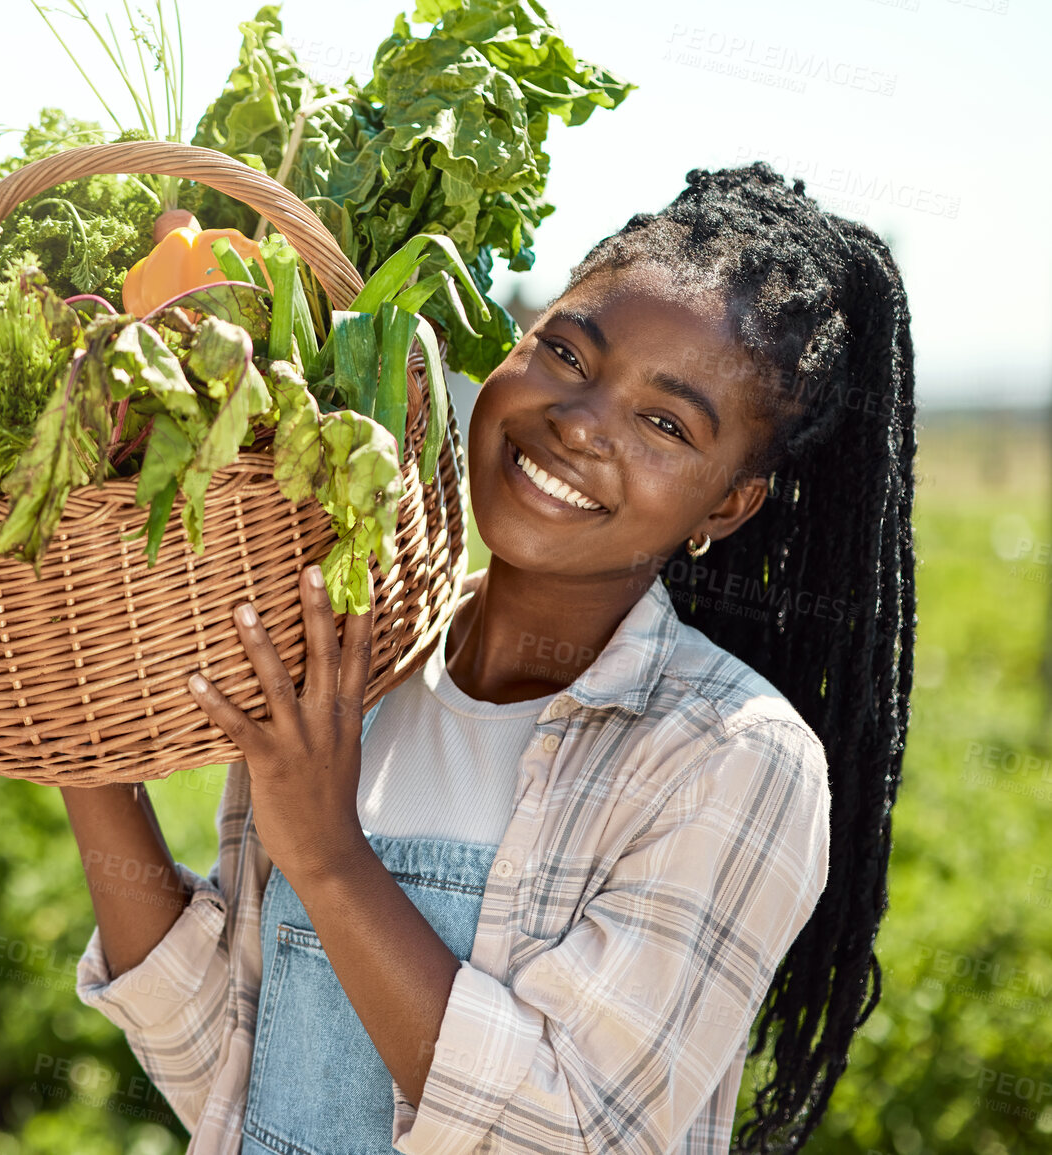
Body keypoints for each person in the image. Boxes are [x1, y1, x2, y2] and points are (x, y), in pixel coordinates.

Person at [61, 163, 914, 1153]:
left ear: (726, 504)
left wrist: (331, 860)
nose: (580, 421)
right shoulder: (357, 666)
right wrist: (85, 744)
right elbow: (226, 1075)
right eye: (564, 351)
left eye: (666, 423)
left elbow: (569, 1130)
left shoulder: (732, 758)